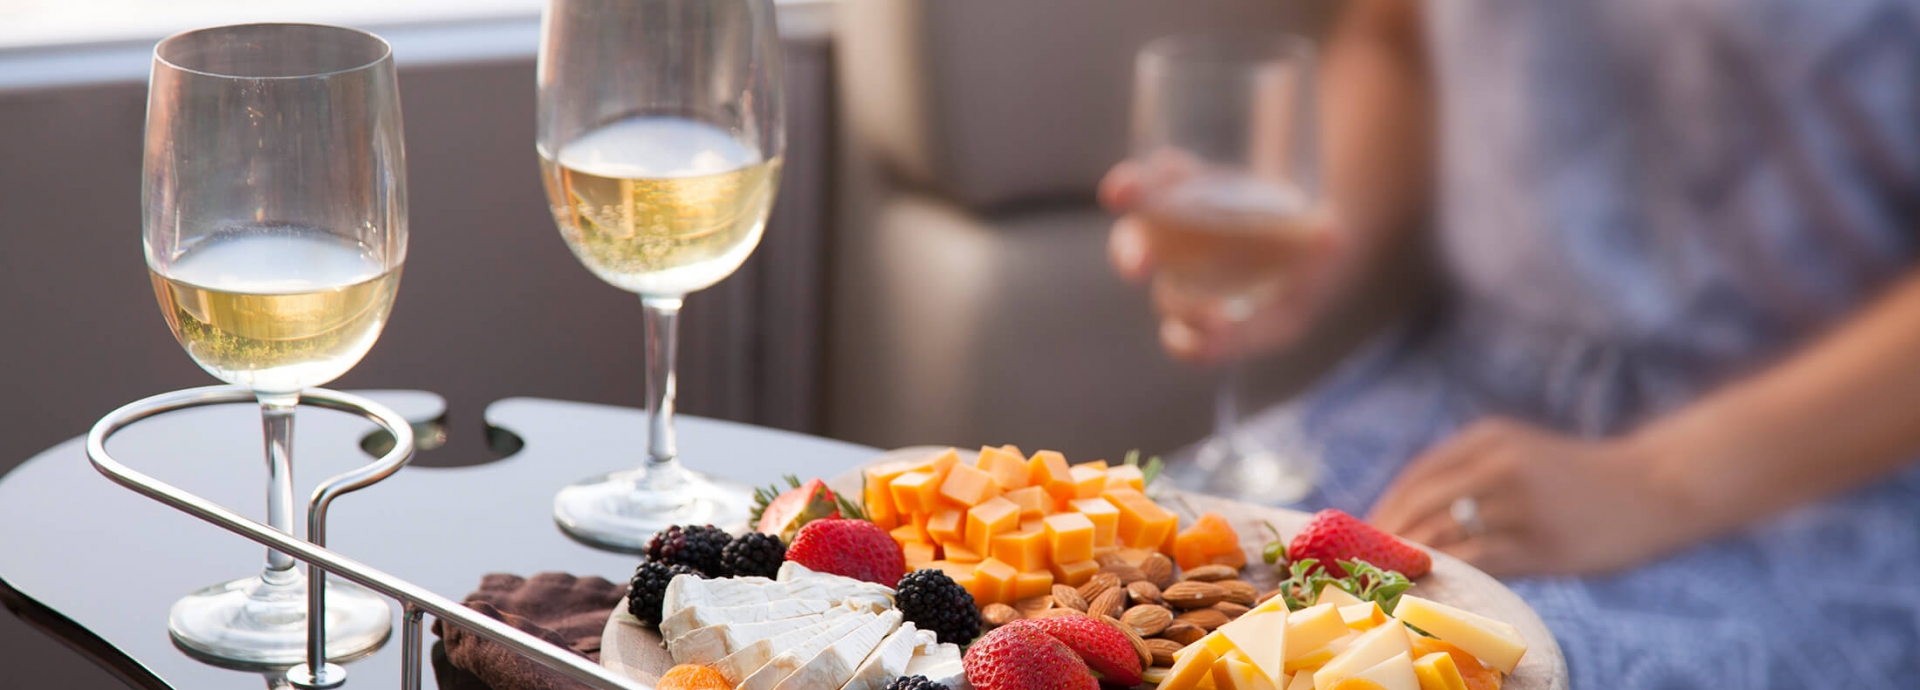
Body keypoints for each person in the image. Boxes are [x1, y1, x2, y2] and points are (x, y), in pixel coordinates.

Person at [1102, 1, 1920, 687]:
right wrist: (1312, 238)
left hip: (1807, 481)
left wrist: (1658, 481)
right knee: (1119, 588)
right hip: (1451, 398)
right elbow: (1397, 36)